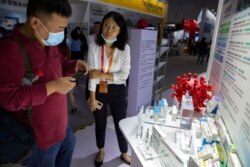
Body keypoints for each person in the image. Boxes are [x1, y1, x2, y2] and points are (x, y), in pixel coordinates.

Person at [0, 0, 88, 167]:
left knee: (69, 146)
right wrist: (52, 87)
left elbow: (60, 63)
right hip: (40, 135)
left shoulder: (48, 41)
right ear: (35, 22)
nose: (62, 34)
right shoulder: (10, 49)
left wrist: (73, 65)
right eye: (59, 29)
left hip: (62, 124)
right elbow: (9, 98)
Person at [87, 11, 131, 166]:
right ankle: (101, 150)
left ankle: (124, 152)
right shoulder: (94, 46)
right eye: (106, 25)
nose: (109, 29)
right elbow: (92, 74)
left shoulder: (125, 49)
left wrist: (102, 75)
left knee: (121, 122)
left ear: (120, 30)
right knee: (100, 122)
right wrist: (92, 98)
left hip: (118, 90)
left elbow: (124, 75)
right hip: (99, 89)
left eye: (114, 27)